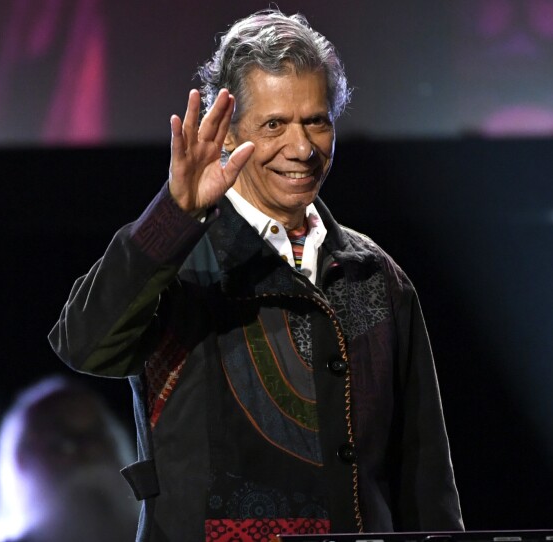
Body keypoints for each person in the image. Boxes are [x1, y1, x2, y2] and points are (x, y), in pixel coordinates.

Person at [49, 8, 463, 540]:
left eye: (316, 121)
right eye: (274, 125)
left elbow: (423, 474)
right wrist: (173, 216)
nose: (301, 148)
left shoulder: (375, 277)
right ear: (225, 133)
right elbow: (84, 343)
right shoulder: (180, 263)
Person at [0, 375, 140, 542]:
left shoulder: (158, 532)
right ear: (21, 460)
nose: (86, 453)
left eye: (95, 437)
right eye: (61, 444)